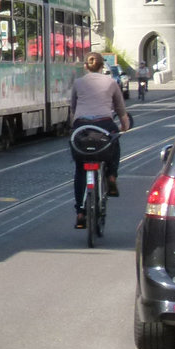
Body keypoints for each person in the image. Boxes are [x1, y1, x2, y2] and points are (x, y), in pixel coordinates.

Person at [69, 51, 130, 229]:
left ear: (86, 66)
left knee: (80, 169)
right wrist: (124, 126)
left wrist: (73, 127)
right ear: (103, 66)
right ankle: (111, 176)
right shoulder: (111, 82)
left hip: (81, 128)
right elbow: (120, 110)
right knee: (115, 144)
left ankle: (80, 211)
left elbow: (73, 109)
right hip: (104, 126)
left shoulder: (78, 83)